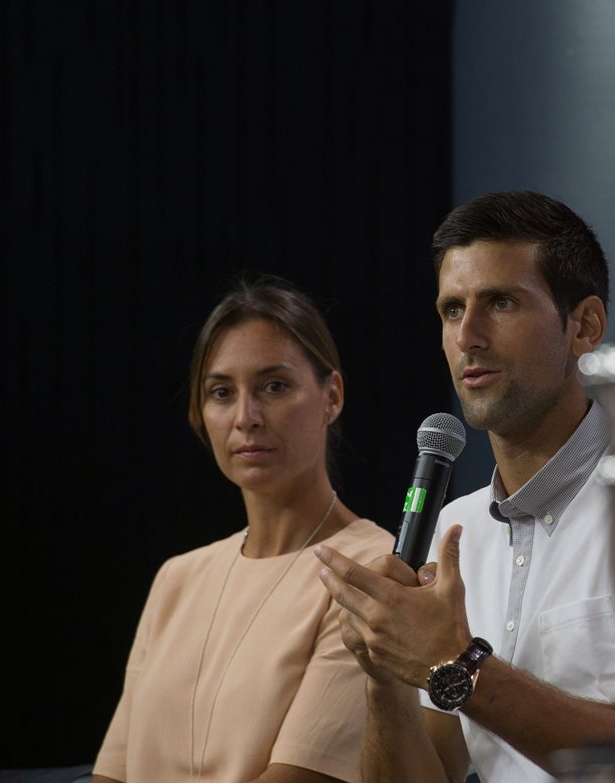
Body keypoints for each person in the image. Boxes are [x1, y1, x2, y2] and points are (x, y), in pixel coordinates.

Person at [315, 191, 615, 783]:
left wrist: (459, 667)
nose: (468, 335)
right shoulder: (455, 531)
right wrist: (386, 676)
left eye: (500, 302)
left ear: (586, 326)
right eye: (451, 310)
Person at [93, 277, 393, 783]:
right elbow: (113, 774)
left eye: (274, 387)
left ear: (332, 396)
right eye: (221, 392)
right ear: (199, 411)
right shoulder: (177, 579)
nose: (245, 418)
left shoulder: (370, 570)